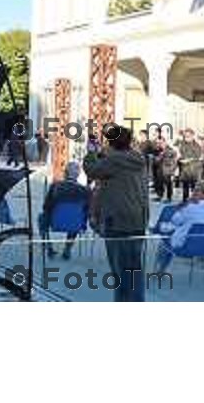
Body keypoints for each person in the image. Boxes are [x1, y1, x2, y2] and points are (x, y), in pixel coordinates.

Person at [83, 126, 149, 302]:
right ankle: (137, 301)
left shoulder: (114, 161)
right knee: (134, 268)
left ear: (111, 143)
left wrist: (91, 152)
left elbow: (92, 170)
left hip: (118, 222)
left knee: (119, 270)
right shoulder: (138, 159)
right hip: (138, 221)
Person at [155, 177, 204, 273]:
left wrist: (186, 205)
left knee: (165, 240)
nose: (193, 192)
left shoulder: (191, 208)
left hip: (185, 247)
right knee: (173, 230)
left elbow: (175, 220)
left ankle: (160, 270)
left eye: (196, 190)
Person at [42, 161, 90, 259]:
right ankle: (67, 248)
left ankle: (49, 247)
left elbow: (46, 206)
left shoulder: (55, 186)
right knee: (77, 216)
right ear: (78, 175)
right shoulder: (84, 190)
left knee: (41, 218)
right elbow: (87, 209)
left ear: (65, 173)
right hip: (75, 224)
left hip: (55, 222)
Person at [178, 128, 203, 202]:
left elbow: (198, 156)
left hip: (194, 170)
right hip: (185, 170)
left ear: (192, 136)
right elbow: (180, 154)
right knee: (185, 189)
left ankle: (194, 202)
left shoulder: (196, 145)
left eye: (188, 136)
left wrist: (189, 160)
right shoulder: (182, 144)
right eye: (185, 136)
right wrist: (180, 159)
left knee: (194, 188)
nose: (186, 138)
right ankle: (185, 202)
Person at [153, 138, 178, 202]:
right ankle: (160, 196)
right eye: (158, 143)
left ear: (165, 142)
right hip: (160, 169)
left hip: (167, 170)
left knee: (168, 184)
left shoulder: (171, 150)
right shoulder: (158, 151)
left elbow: (174, 161)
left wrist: (172, 170)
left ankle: (169, 197)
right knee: (159, 184)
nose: (159, 144)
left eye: (161, 143)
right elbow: (156, 161)